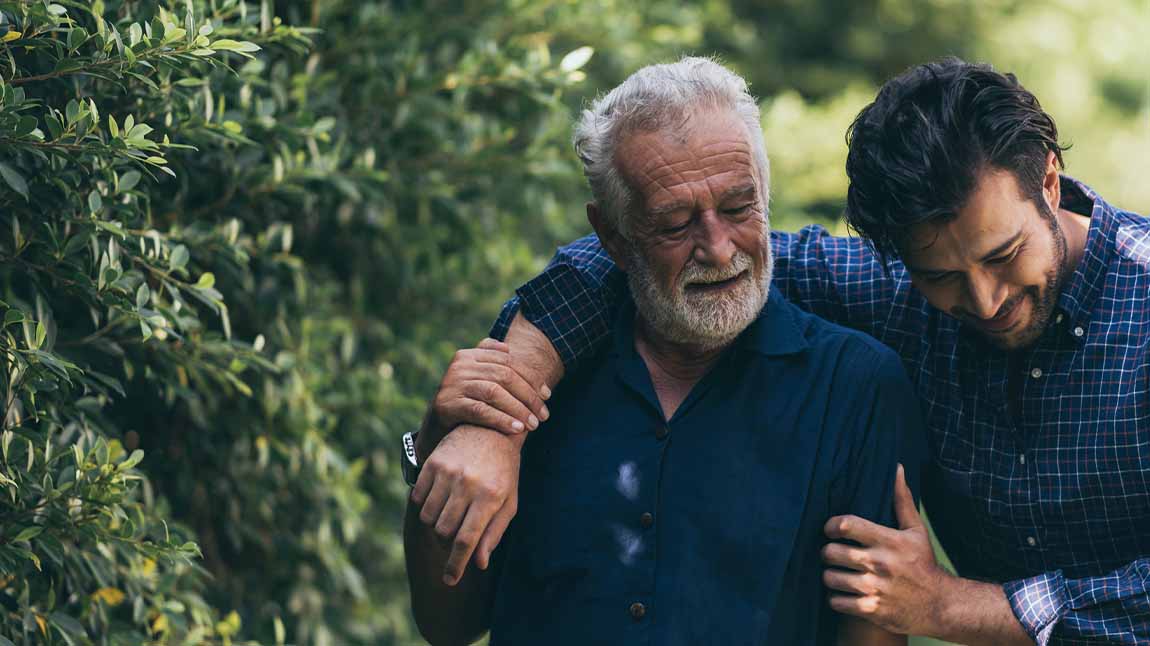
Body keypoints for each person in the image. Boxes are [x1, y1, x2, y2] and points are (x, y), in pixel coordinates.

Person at [413, 57, 1150, 644]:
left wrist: (951, 606)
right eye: (942, 276)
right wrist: (497, 408)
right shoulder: (885, 292)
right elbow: (631, 262)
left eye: (1004, 254)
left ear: (1049, 179)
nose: (983, 300)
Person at [403, 57, 925, 646]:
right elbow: (448, 626)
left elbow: (870, 629)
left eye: (737, 208)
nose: (718, 248)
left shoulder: (855, 384)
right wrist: (436, 443)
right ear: (611, 236)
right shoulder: (533, 369)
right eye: (676, 224)